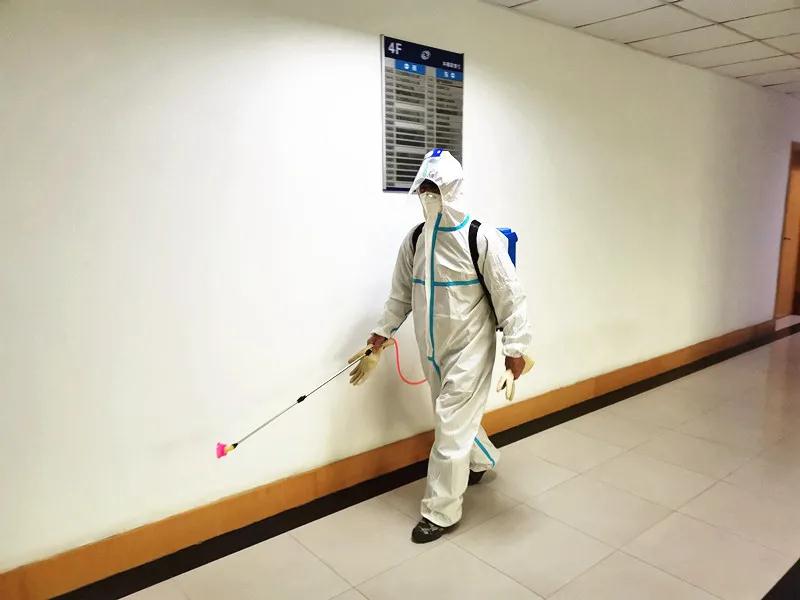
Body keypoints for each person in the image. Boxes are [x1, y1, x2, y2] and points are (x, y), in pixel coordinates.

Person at [351, 148, 531, 543]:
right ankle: (482, 459)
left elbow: (510, 296)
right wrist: (381, 335)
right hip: (432, 350)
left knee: (449, 426)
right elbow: (400, 295)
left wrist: (515, 350)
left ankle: (440, 512)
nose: (428, 194)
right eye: (424, 187)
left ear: (453, 189)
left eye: (436, 187)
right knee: (453, 419)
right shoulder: (415, 239)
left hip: (471, 348)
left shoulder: (478, 237)